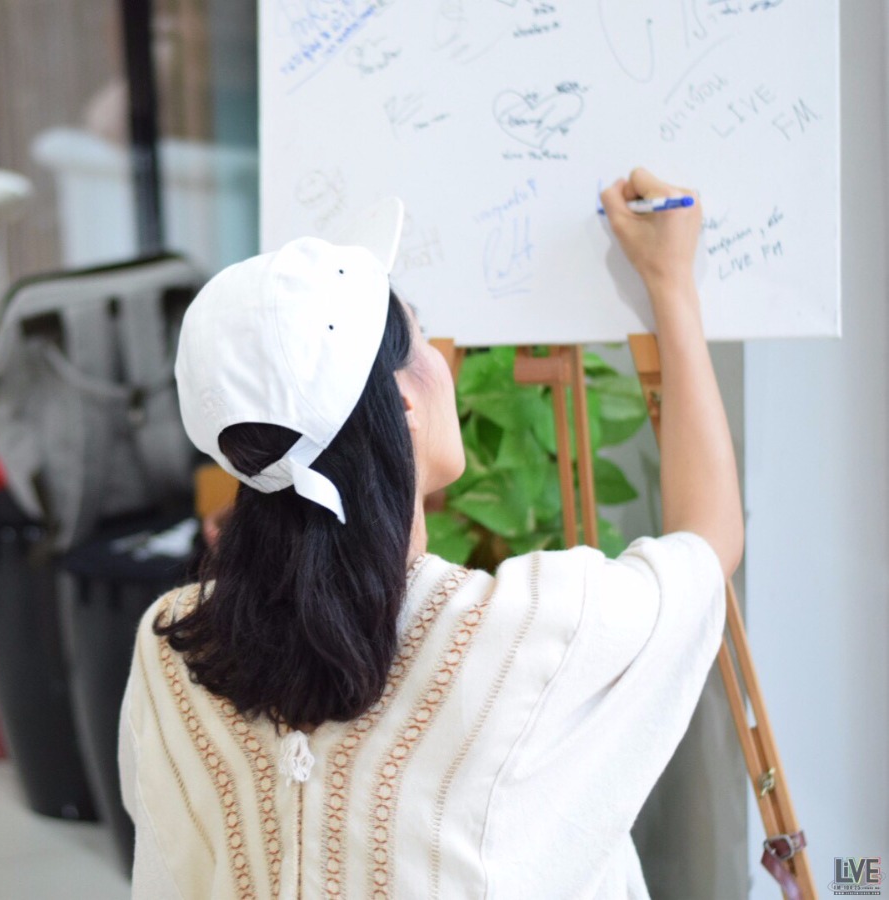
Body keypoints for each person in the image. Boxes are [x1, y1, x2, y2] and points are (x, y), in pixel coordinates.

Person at [119, 168, 743, 898]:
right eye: (421, 331)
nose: (443, 358)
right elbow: (708, 544)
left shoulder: (172, 645)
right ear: (404, 404)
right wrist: (670, 283)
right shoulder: (530, 633)